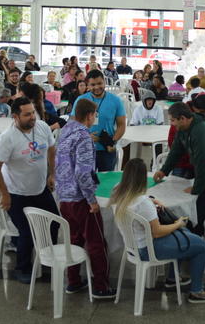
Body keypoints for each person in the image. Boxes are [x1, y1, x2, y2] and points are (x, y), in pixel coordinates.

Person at [110, 158, 205, 303]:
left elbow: (138, 202)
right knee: (200, 246)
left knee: (187, 236)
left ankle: (173, 277)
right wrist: (178, 224)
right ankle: (197, 291)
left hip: (133, 246)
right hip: (148, 249)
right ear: (142, 179)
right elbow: (158, 232)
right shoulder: (143, 204)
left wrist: (152, 200)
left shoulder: (118, 192)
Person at [0, 96, 57, 284]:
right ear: (16, 117)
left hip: (40, 188)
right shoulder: (7, 138)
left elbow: (52, 149)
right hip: (16, 193)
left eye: (33, 112)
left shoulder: (42, 127)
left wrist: (52, 174)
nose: (32, 117)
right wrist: (4, 194)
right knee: (27, 231)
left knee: (54, 222)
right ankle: (22, 268)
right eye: (27, 114)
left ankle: (47, 260)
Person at [54, 98, 117, 298]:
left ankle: (73, 281)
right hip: (81, 199)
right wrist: (91, 200)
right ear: (89, 115)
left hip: (64, 196)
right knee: (96, 241)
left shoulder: (65, 131)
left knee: (74, 240)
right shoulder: (84, 137)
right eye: (95, 115)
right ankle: (101, 286)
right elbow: (83, 173)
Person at [155, 103, 205, 248]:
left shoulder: (200, 132)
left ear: (183, 118)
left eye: (173, 120)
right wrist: (164, 171)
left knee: (198, 207)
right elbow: (176, 151)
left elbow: (203, 165)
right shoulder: (183, 128)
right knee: (204, 206)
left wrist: (196, 189)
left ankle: (192, 245)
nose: (171, 124)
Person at [72, 69, 126, 172]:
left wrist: (112, 141)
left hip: (107, 149)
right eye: (92, 85)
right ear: (87, 85)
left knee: (106, 182)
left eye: (100, 83)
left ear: (105, 82)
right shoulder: (81, 100)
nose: (97, 87)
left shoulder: (115, 101)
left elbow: (121, 125)